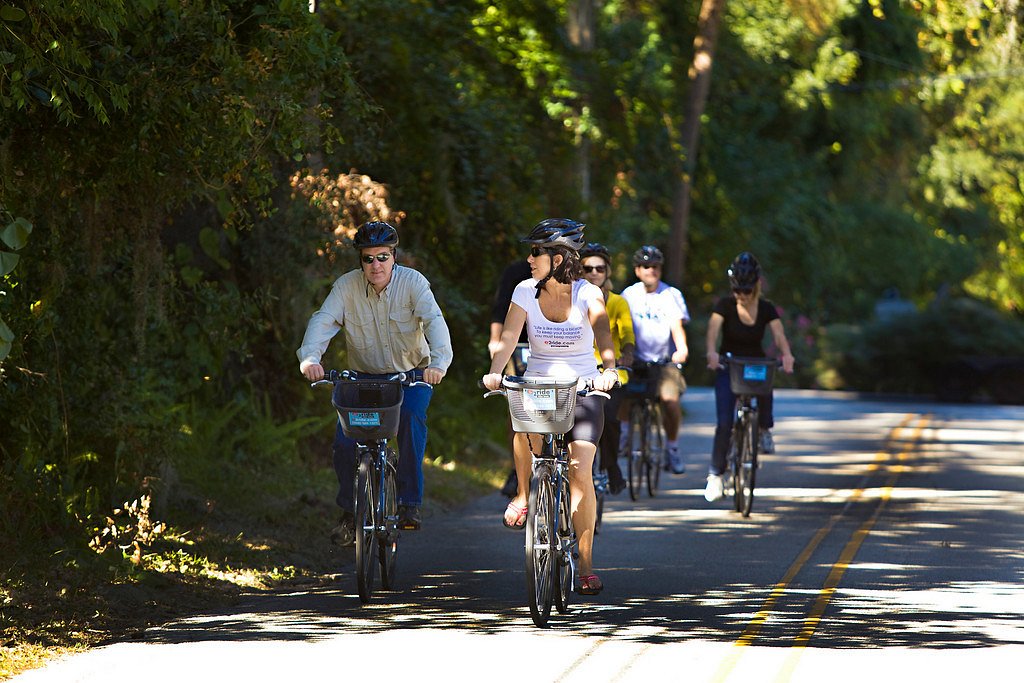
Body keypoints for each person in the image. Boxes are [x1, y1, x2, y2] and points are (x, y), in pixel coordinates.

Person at [482, 218, 618, 596]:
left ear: (557, 259)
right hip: (540, 385)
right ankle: (525, 494)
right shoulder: (525, 291)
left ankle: (586, 565)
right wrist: (495, 373)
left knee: (580, 472)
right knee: (522, 427)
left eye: (536, 252)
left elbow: (603, 335)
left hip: (584, 387)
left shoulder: (589, 294)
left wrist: (609, 369)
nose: (529, 259)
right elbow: (508, 339)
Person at [297, 221, 453, 544]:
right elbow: (323, 320)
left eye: (382, 257)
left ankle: (409, 504)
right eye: (368, 259)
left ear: (394, 256)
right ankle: (348, 513)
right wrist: (311, 358)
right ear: (361, 261)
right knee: (343, 441)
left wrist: (438, 364)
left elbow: (434, 321)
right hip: (364, 378)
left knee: (410, 420)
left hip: (411, 376)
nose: (375, 265)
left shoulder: (414, 284)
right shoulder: (346, 287)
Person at [703, 251, 794, 502]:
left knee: (765, 384)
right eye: (737, 291)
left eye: (745, 291)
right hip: (729, 362)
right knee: (724, 423)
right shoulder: (725, 305)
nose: (741, 296)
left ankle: (764, 429)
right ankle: (715, 476)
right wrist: (712, 352)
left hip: (754, 362)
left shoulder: (766, 308)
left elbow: (778, 335)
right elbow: (713, 330)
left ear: (755, 286)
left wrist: (787, 355)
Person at [619, 245, 690, 474]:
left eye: (656, 267)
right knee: (622, 394)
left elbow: (676, 326)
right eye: (646, 266)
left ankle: (672, 448)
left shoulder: (671, 295)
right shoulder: (628, 295)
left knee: (670, 401)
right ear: (638, 270)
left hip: (663, 361)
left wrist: (682, 349)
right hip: (635, 360)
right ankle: (624, 436)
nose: (651, 271)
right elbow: (619, 327)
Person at [579, 242, 635, 495]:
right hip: (578, 370)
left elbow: (627, 334)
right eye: (587, 268)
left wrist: (628, 355)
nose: (593, 273)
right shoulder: (573, 297)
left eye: (599, 268)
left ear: (607, 272)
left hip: (609, 370)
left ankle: (611, 466)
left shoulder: (617, 301)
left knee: (610, 418)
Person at [487, 259, 533, 498]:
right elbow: (501, 308)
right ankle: (518, 468)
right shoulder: (516, 273)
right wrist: (496, 341)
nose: (532, 258)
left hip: (553, 349)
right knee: (517, 408)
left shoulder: (573, 279)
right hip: (518, 346)